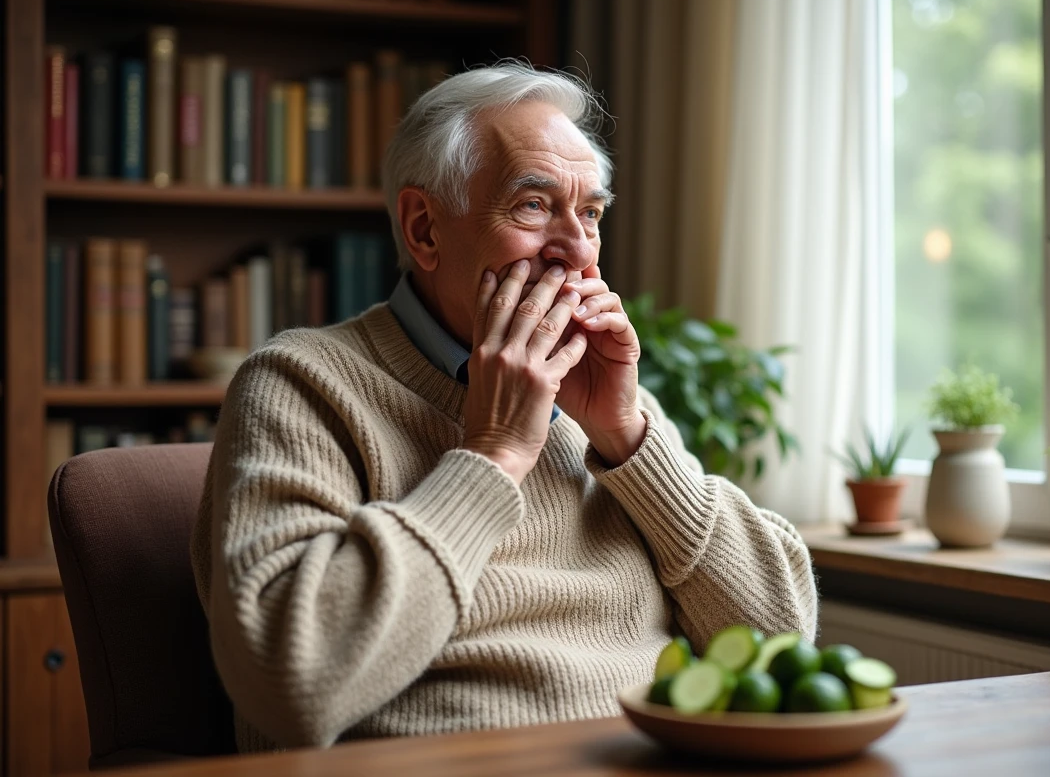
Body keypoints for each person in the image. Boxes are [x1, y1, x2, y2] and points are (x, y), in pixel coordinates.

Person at [191, 62, 819, 753]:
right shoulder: (300, 385)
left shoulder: (604, 398)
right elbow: (290, 685)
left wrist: (628, 438)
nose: (579, 250)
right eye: (533, 205)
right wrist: (495, 452)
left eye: (590, 213)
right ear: (424, 228)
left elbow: (781, 638)